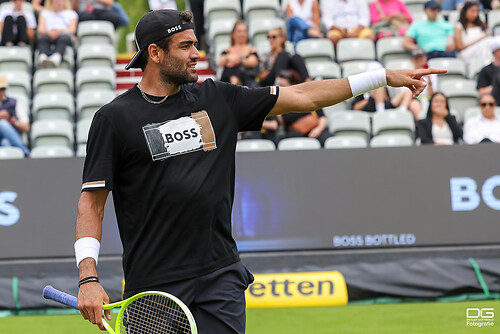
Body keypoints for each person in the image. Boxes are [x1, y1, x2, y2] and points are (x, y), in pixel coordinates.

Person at [74, 9, 444, 333]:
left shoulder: (217, 98)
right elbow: (91, 203)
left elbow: (306, 96)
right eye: (185, 46)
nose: (196, 54)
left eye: (195, 44)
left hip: (219, 276)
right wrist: (88, 276)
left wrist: (380, 76)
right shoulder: (114, 119)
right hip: (154, 286)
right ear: (154, 53)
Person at [277, 70, 331, 145]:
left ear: (293, 85)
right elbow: (282, 124)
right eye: (279, 85)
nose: (280, 88)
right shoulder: (280, 104)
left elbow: (322, 117)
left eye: (283, 85)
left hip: (314, 130)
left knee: (326, 138)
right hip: (294, 134)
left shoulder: (308, 97)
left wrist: (318, 130)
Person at [353, 61, 418, 115]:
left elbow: (387, 100)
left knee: (408, 91)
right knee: (379, 88)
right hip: (369, 109)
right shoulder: (362, 89)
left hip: (386, 106)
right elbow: (356, 108)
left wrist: (379, 94)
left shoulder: (384, 86)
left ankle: (402, 112)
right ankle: (380, 112)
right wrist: (371, 97)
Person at [454, 1, 494, 72]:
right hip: (467, 53)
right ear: (465, 11)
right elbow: (459, 47)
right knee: (483, 44)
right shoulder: (459, 26)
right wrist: (478, 41)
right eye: (473, 11)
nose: (475, 14)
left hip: (482, 50)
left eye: (477, 11)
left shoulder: (481, 24)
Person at [218, 20, 259, 87]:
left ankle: (235, 85)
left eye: (244, 31)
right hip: (227, 82)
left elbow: (253, 62)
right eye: (239, 31)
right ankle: (235, 84)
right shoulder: (226, 50)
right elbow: (220, 63)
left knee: (235, 70)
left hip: (247, 81)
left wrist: (236, 59)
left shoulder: (252, 49)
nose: (242, 34)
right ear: (233, 34)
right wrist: (229, 57)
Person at [37, 0, 78, 68]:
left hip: (64, 35)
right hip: (48, 34)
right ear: (51, 3)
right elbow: (40, 29)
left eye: (61, 1)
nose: (59, 3)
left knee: (63, 38)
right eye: (56, 1)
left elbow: (72, 30)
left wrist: (59, 31)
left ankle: (56, 58)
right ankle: (42, 57)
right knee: (42, 38)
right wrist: (49, 32)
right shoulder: (44, 13)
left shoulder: (71, 13)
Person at [0, 75, 29, 155]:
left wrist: (14, 122)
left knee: (5, 143)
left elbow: (26, 127)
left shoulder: (14, 103)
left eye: (3, 89)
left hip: (9, 139)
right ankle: (25, 152)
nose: (1, 92)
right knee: (2, 123)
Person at [477, 38, 500, 104]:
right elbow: (481, 93)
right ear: (495, 52)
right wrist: (496, 86)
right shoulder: (486, 70)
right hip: (492, 105)